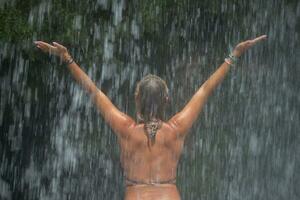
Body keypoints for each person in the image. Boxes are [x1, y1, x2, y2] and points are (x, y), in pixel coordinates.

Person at [34, 35, 267, 200]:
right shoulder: (177, 128)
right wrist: (233, 55)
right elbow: (205, 89)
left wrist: (67, 58)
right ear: (166, 99)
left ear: (137, 98)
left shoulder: (125, 129)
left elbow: (93, 91)